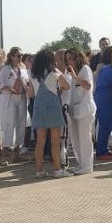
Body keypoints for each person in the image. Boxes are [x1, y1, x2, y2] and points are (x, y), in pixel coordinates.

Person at [30, 49, 70, 177]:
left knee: (40, 141)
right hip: (52, 107)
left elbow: (30, 93)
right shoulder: (54, 72)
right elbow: (67, 85)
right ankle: (57, 169)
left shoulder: (33, 74)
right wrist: (58, 88)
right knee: (55, 140)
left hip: (38, 107)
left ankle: (39, 170)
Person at [66, 49, 95, 174]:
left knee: (85, 138)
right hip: (74, 109)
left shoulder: (85, 69)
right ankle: (81, 164)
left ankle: (87, 166)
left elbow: (87, 86)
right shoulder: (72, 71)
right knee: (76, 138)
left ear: (78, 58)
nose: (69, 61)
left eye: (71, 58)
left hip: (85, 109)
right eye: (67, 59)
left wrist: (74, 76)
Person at [0, 48, 27, 164]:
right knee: (10, 125)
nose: (20, 58)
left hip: (22, 98)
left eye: (21, 55)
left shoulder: (23, 68)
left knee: (21, 125)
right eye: (18, 55)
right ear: (12, 56)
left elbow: (27, 81)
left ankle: (17, 153)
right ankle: (5, 154)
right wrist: (7, 87)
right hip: (10, 99)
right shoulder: (6, 69)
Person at [94, 47, 112, 161]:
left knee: (103, 125)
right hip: (107, 99)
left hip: (99, 97)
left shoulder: (104, 68)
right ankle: (101, 151)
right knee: (106, 126)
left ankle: (104, 149)